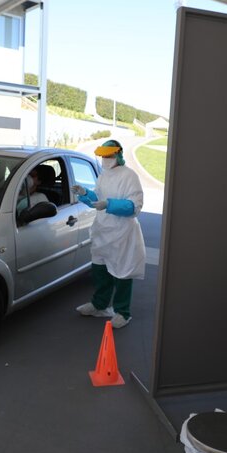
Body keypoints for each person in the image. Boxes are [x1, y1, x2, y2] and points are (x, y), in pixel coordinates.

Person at [73, 139, 146, 329]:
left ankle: (122, 312)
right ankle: (99, 305)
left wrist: (110, 204)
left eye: (109, 155)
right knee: (100, 270)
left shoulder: (130, 176)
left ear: (119, 154)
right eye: (103, 156)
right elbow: (97, 200)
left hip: (122, 232)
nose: (106, 159)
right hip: (102, 230)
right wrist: (84, 194)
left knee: (122, 273)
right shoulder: (103, 176)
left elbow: (134, 207)